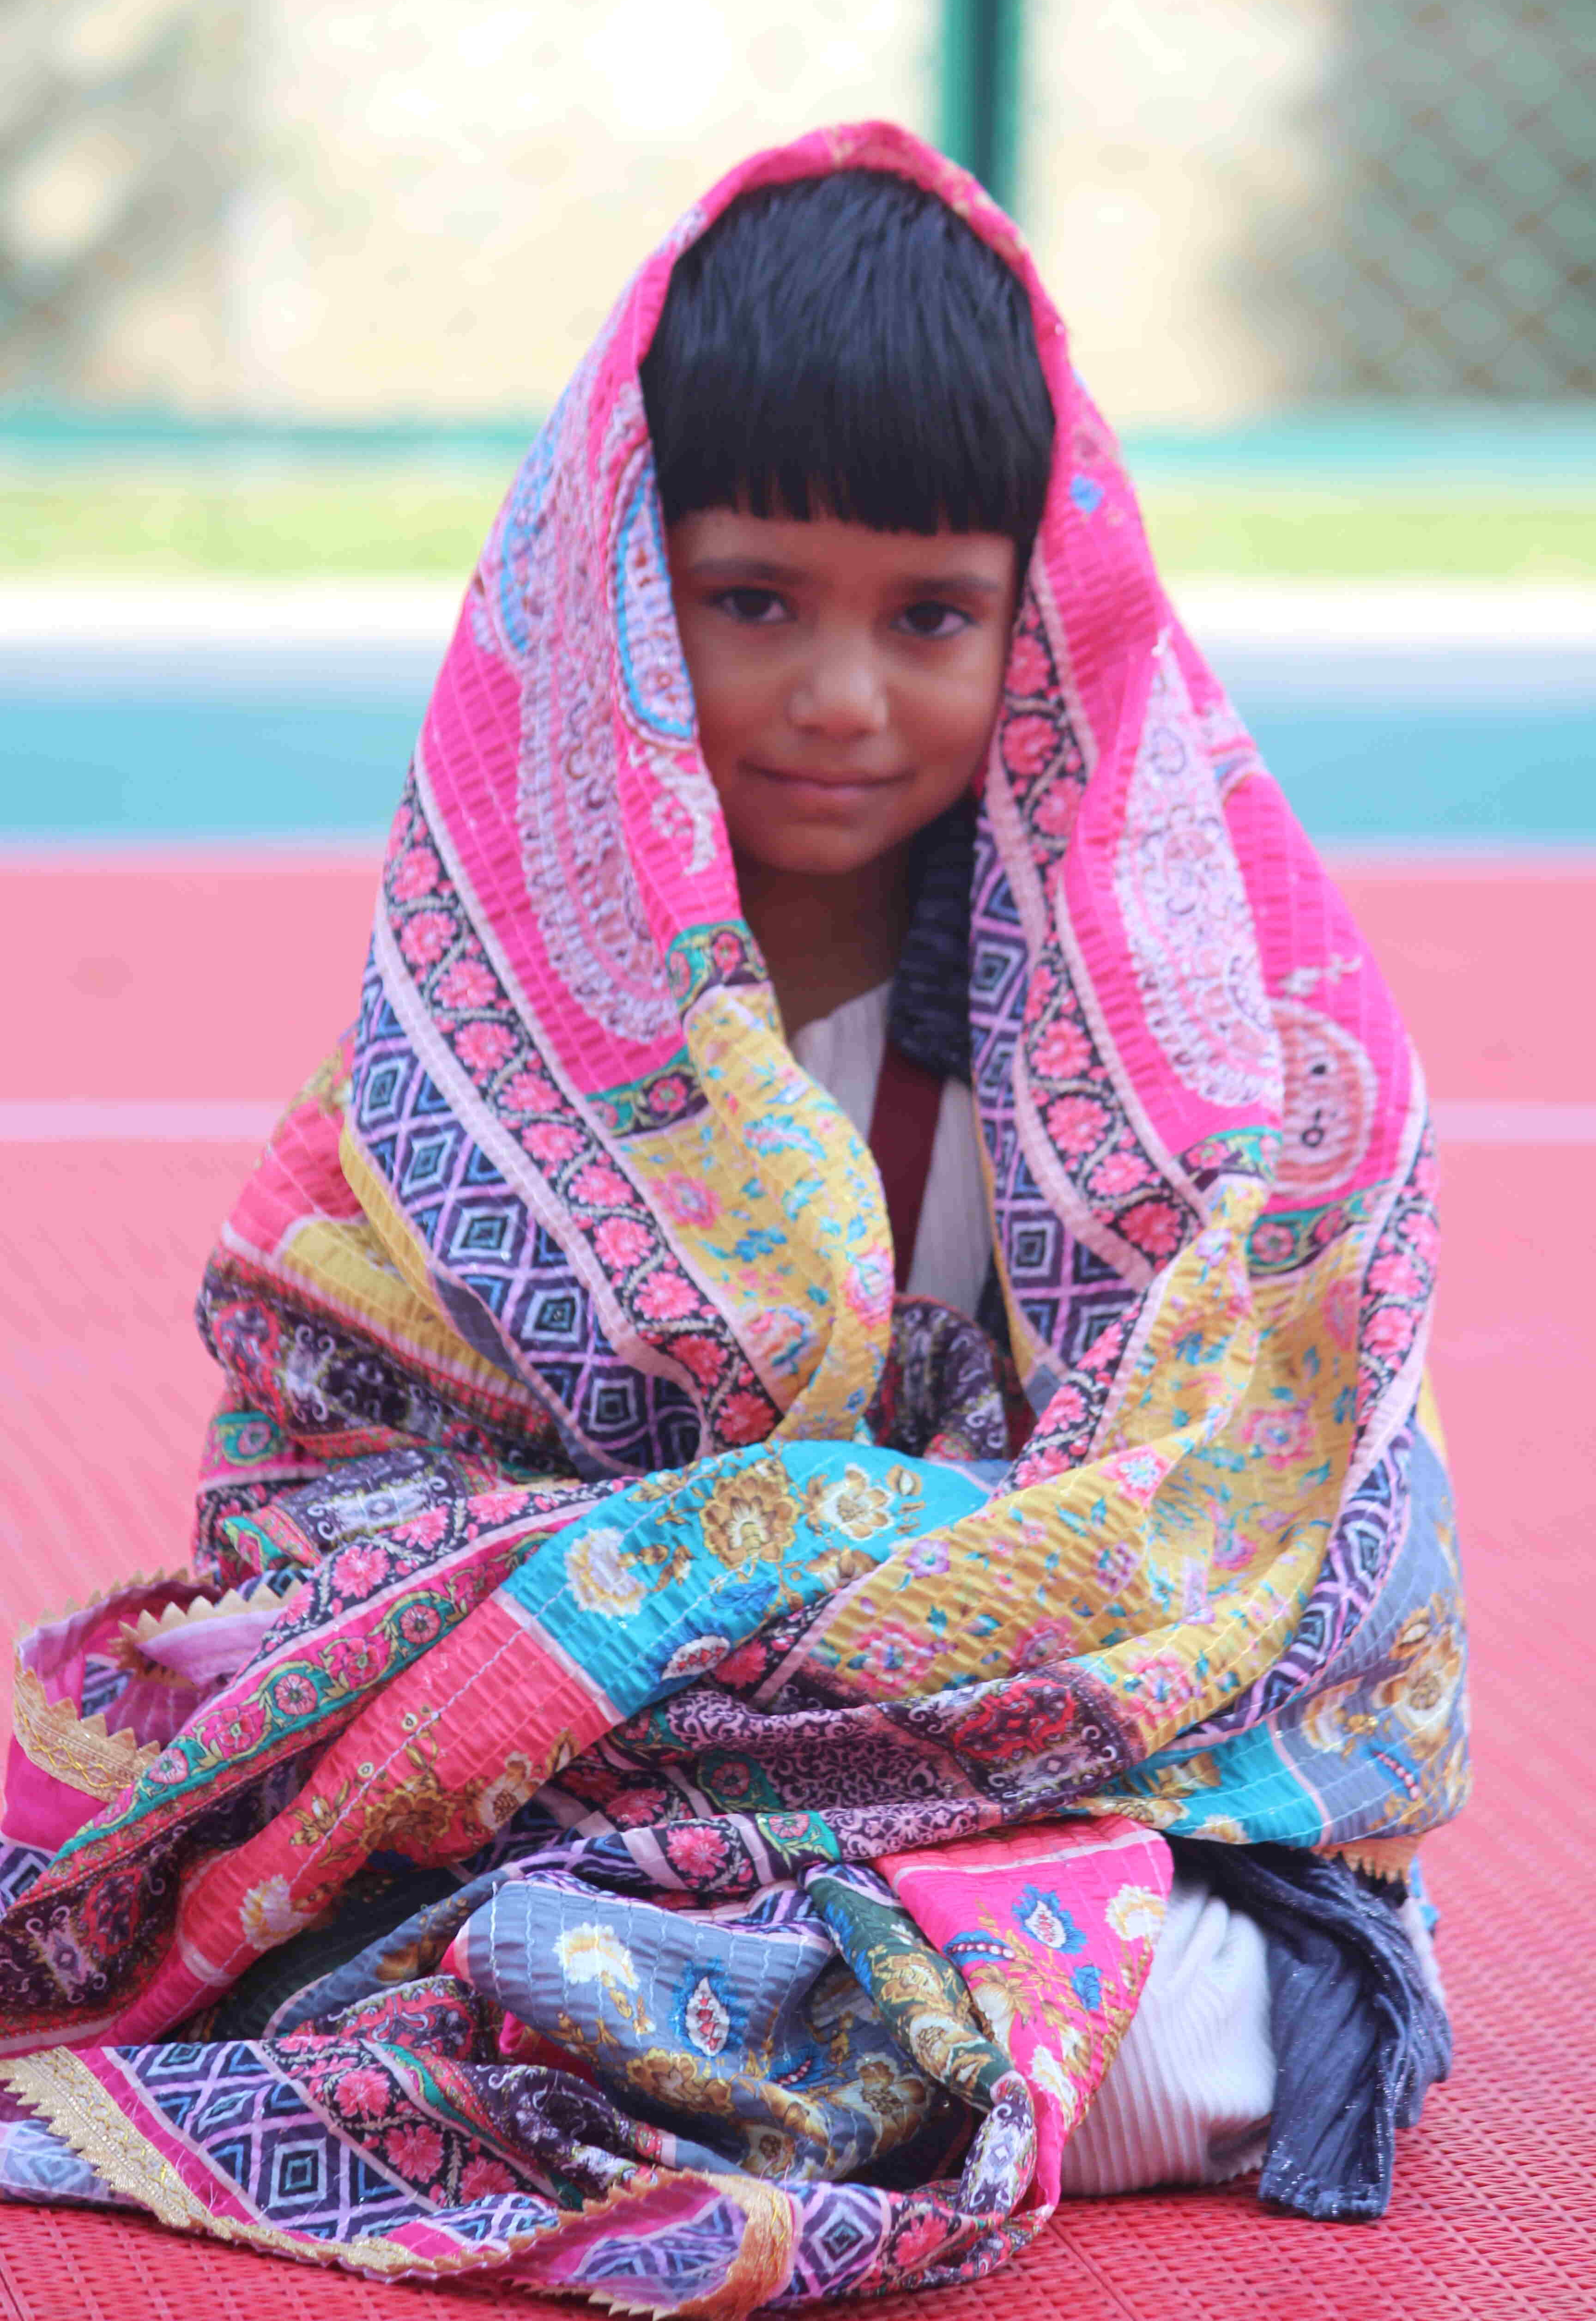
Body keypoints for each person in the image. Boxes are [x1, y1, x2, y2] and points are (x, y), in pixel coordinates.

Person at [0, 127, 1464, 2305]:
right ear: (620, 595)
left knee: (1212, 2005)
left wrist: (887, 1602)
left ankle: (772, 2033)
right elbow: (336, 1510)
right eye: (753, 601)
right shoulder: (482, 1025)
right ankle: (756, 2030)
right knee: (407, 1916)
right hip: (588, 1796)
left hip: (1043, 1790)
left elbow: (1285, 1524)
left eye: (931, 617)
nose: (841, 699)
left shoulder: (1204, 1044)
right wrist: (696, 1609)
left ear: (1041, 623)